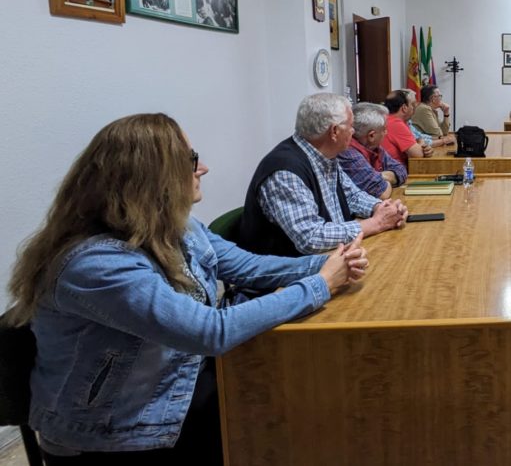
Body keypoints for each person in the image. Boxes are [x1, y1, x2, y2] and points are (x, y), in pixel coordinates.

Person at [6, 113, 368, 464]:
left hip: (173, 387)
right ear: (152, 176)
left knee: (296, 400)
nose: (203, 169)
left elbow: (251, 267)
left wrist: (330, 263)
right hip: (115, 434)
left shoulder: (179, 229)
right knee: (282, 413)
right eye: (192, 159)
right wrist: (320, 284)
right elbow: (210, 331)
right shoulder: (96, 265)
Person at [236, 93, 407, 257]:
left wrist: (382, 208)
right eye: (350, 126)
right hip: (289, 277)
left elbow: (352, 195)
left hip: (332, 257)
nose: (353, 132)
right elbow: (310, 237)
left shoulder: (325, 157)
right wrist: (376, 223)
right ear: (334, 132)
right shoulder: (285, 172)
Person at [339, 102, 408, 200]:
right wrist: (388, 179)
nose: (386, 132)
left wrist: (379, 176)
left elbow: (401, 169)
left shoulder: (375, 148)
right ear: (371, 136)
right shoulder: (347, 151)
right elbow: (381, 192)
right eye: (384, 130)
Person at [383, 90, 434, 166]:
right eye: (412, 105)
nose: (414, 108)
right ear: (404, 108)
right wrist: (421, 142)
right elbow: (418, 154)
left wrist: (425, 148)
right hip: (395, 172)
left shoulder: (389, 120)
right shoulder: (396, 124)